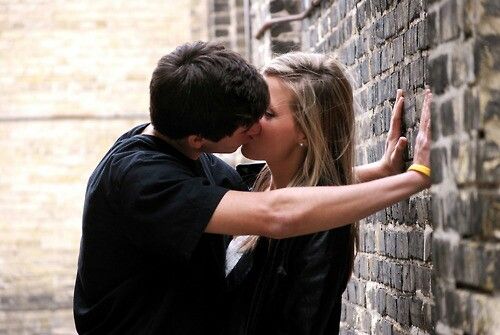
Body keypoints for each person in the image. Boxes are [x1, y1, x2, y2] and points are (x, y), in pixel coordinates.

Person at [74, 41, 431, 334]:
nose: (253, 125)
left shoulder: (187, 150)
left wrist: (380, 171)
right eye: (245, 120)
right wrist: (416, 177)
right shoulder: (144, 179)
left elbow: (291, 189)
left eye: (265, 111)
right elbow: (276, 211)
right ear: (199, 138)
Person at [224, 52, 432, 334]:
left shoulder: (320, 228)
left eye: (268, 113)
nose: (250, 120)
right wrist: (379, 170)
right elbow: (301, 187)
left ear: (307, 132)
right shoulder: (252, 186)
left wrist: (419, 174)